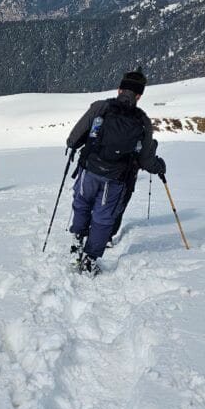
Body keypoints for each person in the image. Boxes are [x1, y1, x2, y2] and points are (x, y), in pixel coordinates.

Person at [66, 68, 166, 275]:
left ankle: (77, 240)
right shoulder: (143, 122)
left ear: (120, 89)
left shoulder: (100, 107)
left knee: (82, 204)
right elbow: (146, 161)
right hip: (117, 178)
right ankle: (90, 259)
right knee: (104, 218)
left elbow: (73, 139)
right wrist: (158, 166)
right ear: (139, 95)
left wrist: (82, 145)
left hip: (90, 170)